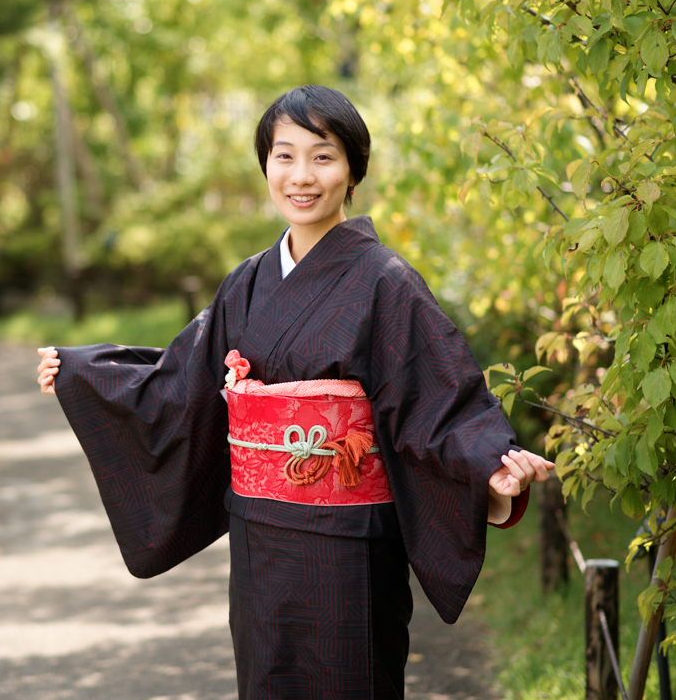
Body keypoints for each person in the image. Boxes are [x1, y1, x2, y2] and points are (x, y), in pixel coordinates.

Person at [36, 85, 554, 700]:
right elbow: (182, 383)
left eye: (323, 156)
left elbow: (436, 401)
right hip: (258, 537)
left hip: (349, 547)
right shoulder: (247, 282)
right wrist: (84, 374)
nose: (301, 176)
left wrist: (486, 471)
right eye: (284, 156)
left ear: (353, 172)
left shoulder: (386, 283)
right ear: (265, 167)